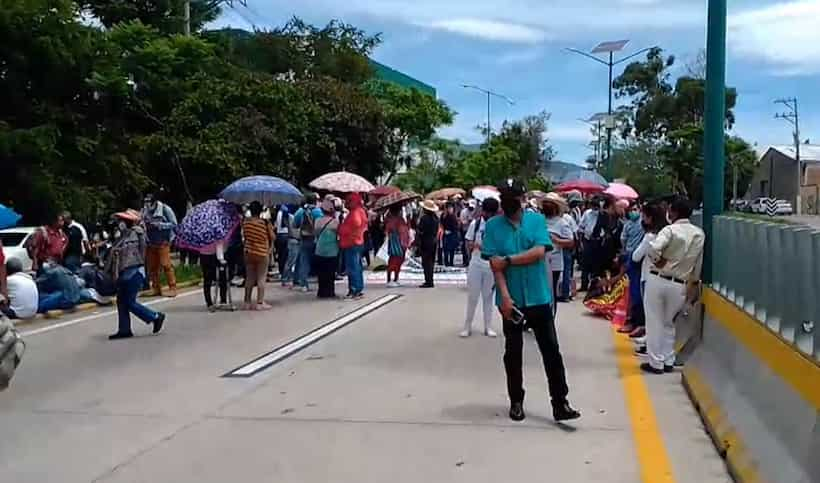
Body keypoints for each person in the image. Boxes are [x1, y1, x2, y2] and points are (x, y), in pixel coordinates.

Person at [482, 179, 580, 423]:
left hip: (538, 296)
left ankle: (560, 403)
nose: (510, 203)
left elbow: (539, 252)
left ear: (522, 199)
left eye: (514, 198)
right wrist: (504, 297)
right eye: (506, 198)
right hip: (512, 299)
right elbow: (495, 266)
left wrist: (509, 260)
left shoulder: (536, 221)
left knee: (551, 352)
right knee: (513, 353)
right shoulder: (493, 226)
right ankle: (516, 401)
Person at [640, 197, 704, 374]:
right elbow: (697, 265)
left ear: (673, 212)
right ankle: (668, 359)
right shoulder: (699, 234)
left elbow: (653, 248)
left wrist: (658, 260)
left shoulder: (669, 230)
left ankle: (655, 363)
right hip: (681, 284)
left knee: (654, 321)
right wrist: (694, 283)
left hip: (658, 279)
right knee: (670, 323)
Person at [105, 209, 166, 340]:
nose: (119, 224)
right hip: (122, 272)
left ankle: (155, 317)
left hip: (134, 271)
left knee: (129, 302)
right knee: (121, 301)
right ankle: (124, 329)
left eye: (121, 221)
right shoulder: (121, 236)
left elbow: (143, 253)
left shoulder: (137, 233)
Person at [461, 197, 499, 338]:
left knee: (488, 296)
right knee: (473, 295)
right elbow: (468, 242)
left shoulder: (498, 226)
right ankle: (467, 325)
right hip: (476, 261)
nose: (487, 215)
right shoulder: (475, 224)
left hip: (490, 263)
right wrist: (473, 248)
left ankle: (488, 326)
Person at [630, 202, 668, 341]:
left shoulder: (649, 237)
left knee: (650, 312)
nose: (642, 219)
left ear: (650, 218)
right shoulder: (667, 234)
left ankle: (650, 342)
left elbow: (636, 256)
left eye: (644, 216)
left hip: (648, 276)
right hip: (664, 276)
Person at [541, 193, 574, 314]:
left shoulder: (562, 223)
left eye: (549, 204)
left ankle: (550, 318)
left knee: (551, 292)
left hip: (554, 262)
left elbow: (571, 242)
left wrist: (556, 240)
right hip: (538, 260)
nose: (547, 206)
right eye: (545, 203)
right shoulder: (539, 220)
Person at [141, 193, 178, 297]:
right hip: (150, 240)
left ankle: (173, 287)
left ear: (154, 202)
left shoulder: (165, 209)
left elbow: (174, 224)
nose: (147, 204)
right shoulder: (144, 211)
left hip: (163, 240)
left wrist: (160, 225)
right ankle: (156, 288)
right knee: (152, 267)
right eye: (145, 202)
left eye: (149, 202)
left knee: (166, 264)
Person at [617, 202, 646, 334]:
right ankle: (634, 320)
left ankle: (635, 321)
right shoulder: (628, 225)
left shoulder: (643, 224)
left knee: (636, 291)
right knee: (633, 289)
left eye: (636, 209)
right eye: (631, 210)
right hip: (631, 256)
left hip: (637, 257)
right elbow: (622, 240)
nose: (633, 212)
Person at [242, 202, 274, 310]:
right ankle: (260, 303)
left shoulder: (246, 222)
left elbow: (245, 236)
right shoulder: (264, 223)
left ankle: (247, 302)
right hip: (262, 252)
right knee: (261, 277)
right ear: (261, 211)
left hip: (248, 251)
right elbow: (273, 237)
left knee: (249, 277)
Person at [338, 193, 368, 299]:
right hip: (358, 241)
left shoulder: (354, 212)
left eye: (348, 201)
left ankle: (354, 290)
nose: (346, 203)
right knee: (357, 267)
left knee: (352, 267)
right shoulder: (361, 211)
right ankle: (357, 288)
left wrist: (342, 228)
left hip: (351, 242)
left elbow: (355, 223)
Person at [293, 195, 323, 292]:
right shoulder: (318, 211)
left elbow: (294, 224)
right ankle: (321, 281)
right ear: (315, 201)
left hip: (304, 239)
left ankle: (304, 284)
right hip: (316, 239)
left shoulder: (300, 211)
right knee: (319, 261)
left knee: (304, 262)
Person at [314, 197, 340, 299]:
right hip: (332, 250)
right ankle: (330, 292)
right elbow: (338, 235)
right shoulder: (335, 222)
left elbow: (315, 234)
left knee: (321, 273)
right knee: (330, 273)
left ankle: (321, 292)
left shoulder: (317, 221)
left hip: (319, 249)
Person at [384, 204, 410, 287]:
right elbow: (404, 230)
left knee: (392, 260)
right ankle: (395, 278)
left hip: (393, 242)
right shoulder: (400, 220)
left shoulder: (389, 219)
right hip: (399, 242)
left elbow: (387, 230)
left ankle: (389, 279)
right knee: (397, 261)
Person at [416, 201, 439, 288]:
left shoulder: (424, 219)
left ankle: (428, 281)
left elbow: (420, 230)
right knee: (431, 262)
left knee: (426, 262)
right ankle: (430, 280)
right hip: (433, 241)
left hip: (425, 242)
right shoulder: (436, 218)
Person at [577, 200, 599, 291]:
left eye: (596, 207)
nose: (594, 209)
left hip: (597, 241)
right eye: (593, 207)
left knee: (595, 264)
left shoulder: (602, 215)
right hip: (587, 240)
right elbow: (581, 227)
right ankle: (584, 285)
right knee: (585, 264)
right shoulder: (587, 213)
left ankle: (594, 285)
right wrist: (581, 242)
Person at [274, 205, 292, 280]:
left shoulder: (278, 213)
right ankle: (285, 273)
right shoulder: (286, 212)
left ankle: (281, 271)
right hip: (285, 234)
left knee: (281, 254)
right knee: (285, 255)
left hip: (279, 234)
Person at [440, 202, 460, 267]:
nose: (450, 209)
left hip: (452, 234)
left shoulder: (453, 216)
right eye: (448, 207)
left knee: (452, 249)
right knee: (446, 249)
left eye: (451, 208)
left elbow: (456, 226)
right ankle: (446, 262)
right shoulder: (443, 215)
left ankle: (451, 262)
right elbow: (441, 224)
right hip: (445, 233)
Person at [459, 200, 476, 266]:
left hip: (473, 231)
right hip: (465, 230)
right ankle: (465, 261)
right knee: (464, 246)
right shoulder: (463, 212)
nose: (471, 209)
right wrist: (467, 221)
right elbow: (462, 221)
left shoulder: (475, 211)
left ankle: (471, 260)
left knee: (473, 246)